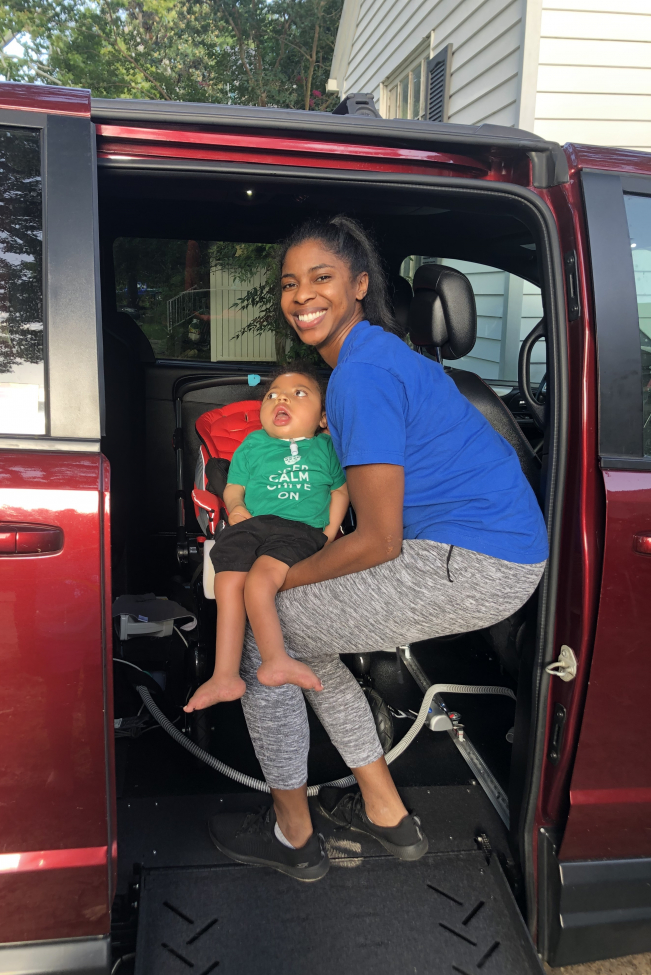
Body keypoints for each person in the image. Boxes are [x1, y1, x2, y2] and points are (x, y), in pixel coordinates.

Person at [208, 216, 549, 883]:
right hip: (486, 552)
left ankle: (293, 833)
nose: (302, 295)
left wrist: (279, 579)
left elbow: (379, 538)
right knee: (302, 635)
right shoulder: (379, 358)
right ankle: (387, 811)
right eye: (289, 283)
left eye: (323, 278)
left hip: (468, 562)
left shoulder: (360, 378)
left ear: (360, 286)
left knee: (262, 626)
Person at [184, 366, 349, 711]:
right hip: (253, 524)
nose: (281, 397)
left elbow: (340, 492)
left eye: (299, 393)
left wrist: (329, 534)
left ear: (322, 418)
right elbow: (233, 485)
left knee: (259, 581)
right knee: (229, 582)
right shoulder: (253, 443)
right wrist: (236, 507)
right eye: (272, 394)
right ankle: (224, 675)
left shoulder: (326, 448)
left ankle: (275, 659)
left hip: (299, 529)